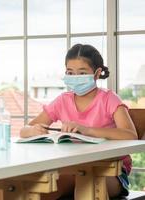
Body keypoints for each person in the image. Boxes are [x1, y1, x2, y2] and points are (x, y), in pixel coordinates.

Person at [20, 44, 138, 199]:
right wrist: (32, 130)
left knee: (85, 184)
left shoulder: (109, 99)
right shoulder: (62, 100)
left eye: (82, 73)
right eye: (70, 72)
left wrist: (87, 130)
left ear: (96, 74)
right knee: (38, 189)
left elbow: (130, 135)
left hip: (109, 171)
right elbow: (25, 129)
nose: (75, 77)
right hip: (72, 168)